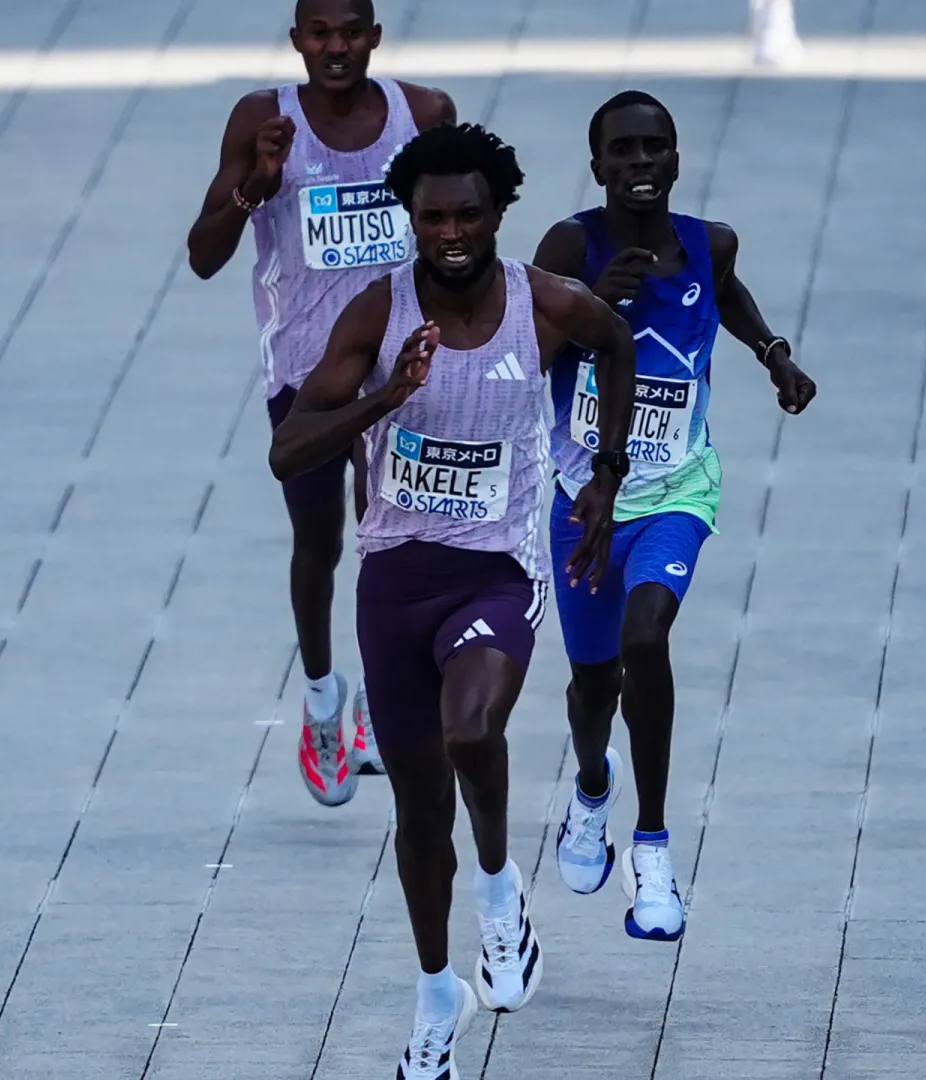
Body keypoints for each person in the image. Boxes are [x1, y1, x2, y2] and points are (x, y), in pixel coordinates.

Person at [270, 122, 637, 1080]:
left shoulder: (544, 306)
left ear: (498, 212)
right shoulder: (375, 315)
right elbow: (289, 448)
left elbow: (617, 339)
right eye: (432, 215)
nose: (451, 231)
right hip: (394, 580)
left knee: (473, 728)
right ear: (411, 220)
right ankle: (437, 992)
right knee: (420, 810)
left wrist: (605, 471)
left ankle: (500, 890)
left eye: (469, 212)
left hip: (494, 573)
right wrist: (385, 400)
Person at [533, 90, 817, 942]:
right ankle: (591, 790)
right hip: (583, 499)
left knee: (645, 638)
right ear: (599, 167)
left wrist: (775, 355)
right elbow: (523, 348)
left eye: (656, 148)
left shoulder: (708, 242)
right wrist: (592, 299)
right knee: (592, 684)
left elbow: (724, 293)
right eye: (623, 151)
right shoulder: (568, 245)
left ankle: (652, 848)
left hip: (677, 490)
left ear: (678, 157)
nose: (641, 163)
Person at [186, 0, 457, 807]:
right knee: (319, 542)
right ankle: (320, 698)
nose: (335, 48)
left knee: (392, 539)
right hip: (305, 373)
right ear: (297, 40)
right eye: (320, 33)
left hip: (398, 367)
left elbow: (460, 232)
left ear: (375, 36)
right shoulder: (263, 119)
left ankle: (379, 696)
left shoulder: (426, 114)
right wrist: (255, 189)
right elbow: (202, 257)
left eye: (351, 32)